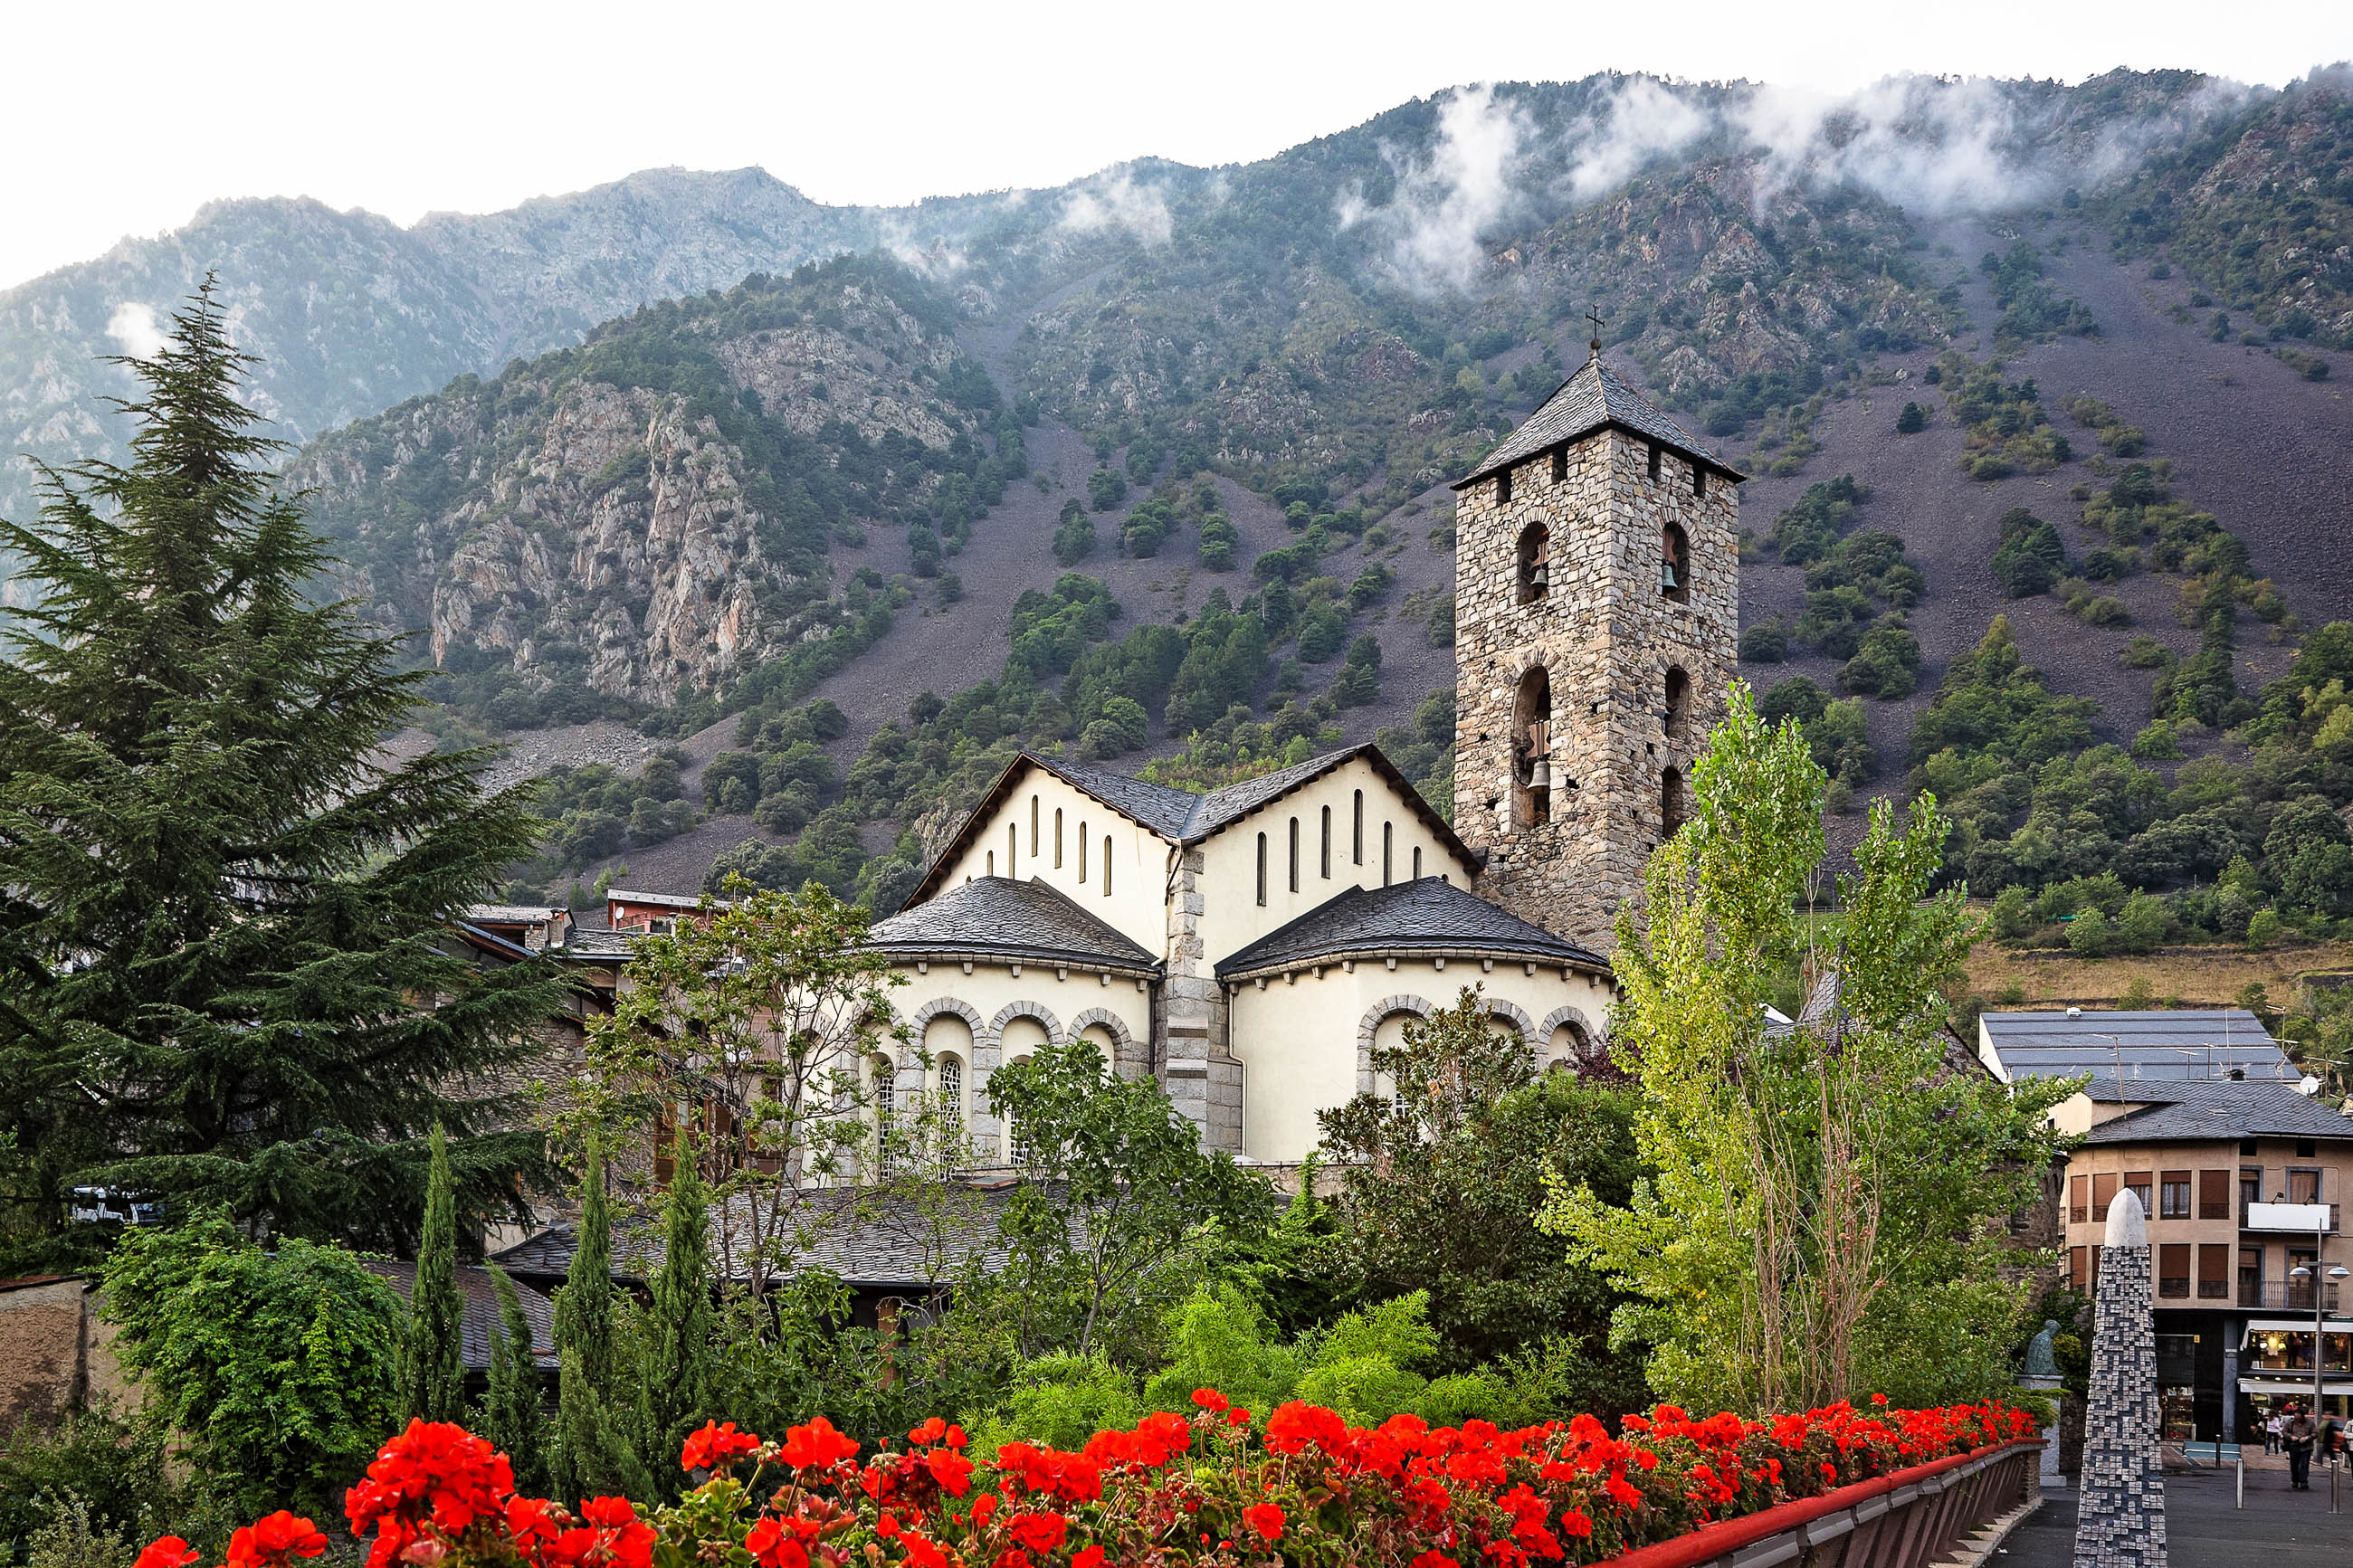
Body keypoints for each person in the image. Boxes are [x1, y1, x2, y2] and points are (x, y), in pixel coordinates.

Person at [2282, 1403, 2320, 1489]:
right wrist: (2291, 1437)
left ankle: (2303, 1481)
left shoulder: (2310, 1423)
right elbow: (2284, 1432)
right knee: (2294, 1465)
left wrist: (2307, 1437)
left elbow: (2316, 1433)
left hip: (2306, 1447)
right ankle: (2294, 1480)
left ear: (2303, 1417)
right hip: (2294, 1446)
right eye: (2296, 1418)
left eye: (2299, 1418)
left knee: (2304, 1464)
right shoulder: (2290, 1422)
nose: (2297, 1420)